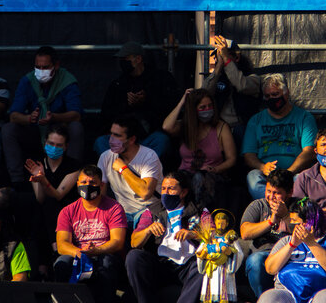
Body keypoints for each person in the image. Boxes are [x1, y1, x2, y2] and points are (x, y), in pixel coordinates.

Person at [2, 46, 84, 184]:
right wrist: (29, 118)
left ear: (56, 65)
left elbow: (76, 114)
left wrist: (55, 117)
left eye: (45, 67)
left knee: (76, 128)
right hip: (35, 131)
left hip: (59, 132)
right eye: (38, 67)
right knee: (8, 129)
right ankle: (17, 181)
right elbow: (14, 115)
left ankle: (71, 177)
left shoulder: (67, 81)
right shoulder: (28, 80)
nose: (41, 71)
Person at [126, 170, 205, 303]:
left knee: (203, 264)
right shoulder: (152, 211)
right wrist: (148, 230)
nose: (166, 193)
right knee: (134, 257)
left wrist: (193, 234)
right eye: (163, 189)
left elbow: (213, 236)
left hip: (188, 266)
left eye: (171, 189)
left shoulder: (198, 210)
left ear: (183, 192)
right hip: (161, 265)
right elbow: (134, 242)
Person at [54, 165, 127, 301]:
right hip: (78, 254)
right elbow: (62, 245)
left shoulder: (114, 208)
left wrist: (96, 251)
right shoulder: (67, 211)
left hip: (104, 254)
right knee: (62, 263)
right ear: (77, 184)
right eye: (83, 182)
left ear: (101, 185)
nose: (87, 186)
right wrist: (80, 253)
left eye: (93, 182)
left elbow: (118, 242)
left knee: (107, 263)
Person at [97, 41, 180, 158]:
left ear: (138, 59)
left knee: (162, 140)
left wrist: (147, 100)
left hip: (150, 135)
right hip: (123, 139)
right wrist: (126, 103)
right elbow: (107, 115)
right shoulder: (118, 84)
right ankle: (119, 168)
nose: (122, 62)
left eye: (126, 59)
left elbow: (170, 108)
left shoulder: (160, 79)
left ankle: (144, 166)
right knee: (101, 142)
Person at [260, 197, 326, 303]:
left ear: (309, 222)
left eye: (294, 221)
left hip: (323, 292)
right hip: (288, 293)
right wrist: (292, 245)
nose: (291, 223)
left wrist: (311, 243)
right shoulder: (286, 241)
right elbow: (270, 268)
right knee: (269, 298)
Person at [242, 74, 318, 200]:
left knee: (304, 177)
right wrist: (262, 167)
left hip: (294, 174)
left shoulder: (304, 117)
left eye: (275, 94)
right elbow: (248, 155)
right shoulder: (255, 120)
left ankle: (284, 205)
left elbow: (309, 151)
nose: (271, 99)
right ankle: (273, 206)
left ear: (286, 94)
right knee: (253, 177)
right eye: (267, 96)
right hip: (266, 176)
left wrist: (289, 173)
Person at [162, 88, 237, 209]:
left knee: (199, 178)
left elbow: (231, 159)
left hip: (211, 176)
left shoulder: (221, 127)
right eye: (202, 107)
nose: (207, 110)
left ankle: (200, 213)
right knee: (173, 181)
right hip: (185, 174)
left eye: (210, 106)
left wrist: (215, 169)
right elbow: (167, 127)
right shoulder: (186, 126)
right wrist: (182, 102)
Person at [25, 125, 82, 274]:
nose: (54, 148)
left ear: (66, 146)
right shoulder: (37, 164)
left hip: (67, 210)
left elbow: (58, 195)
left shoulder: (73, 166)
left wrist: (43, 180)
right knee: (39, 209)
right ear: (45, 143)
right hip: (45, 212)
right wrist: (38, 178)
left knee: (51, 203)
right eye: (51, 144)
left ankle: (53, 253)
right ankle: (44, 263)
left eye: (59, 145)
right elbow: (40, 198)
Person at [97, 115, 164, 228]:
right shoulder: (106, 157)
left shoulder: (149, 156)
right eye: (111, 134)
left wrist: (123, 169)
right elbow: (101, 194)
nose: (111, 139)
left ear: (132, 139)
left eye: (117, 136)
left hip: (148, 211)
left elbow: (145, 193)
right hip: (122, 213)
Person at [240, 168, 296, 299]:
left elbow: (308, 231)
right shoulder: (258, 205)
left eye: (277, 193)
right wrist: (271, 221)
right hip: (263, 255)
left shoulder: (299, 205)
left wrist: (286, 216)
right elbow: (245, 233)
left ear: (290, 192)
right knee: (255, 260)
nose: (271, 196)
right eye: (268, 191)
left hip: (291, 255)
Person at [202, 35, 262, 144]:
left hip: (244, 129)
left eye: (225, 54)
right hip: (221, 129)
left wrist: (226, 60)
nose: (221, 58)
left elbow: (241, 85)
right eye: (218, 56)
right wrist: (219, 66)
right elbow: (204, 94)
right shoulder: (217, 78)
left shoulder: (252, 78)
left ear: (237, 57)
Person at [196, 208, 245, 303]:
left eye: (222, 223)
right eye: (218, 223)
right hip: (211, 270)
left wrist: (230, 253)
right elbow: (200, 251)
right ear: (214, 223)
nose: (220, 226)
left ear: (227, 224)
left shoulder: (230, 237)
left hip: (225, 270)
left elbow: (240, 253)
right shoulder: (208, 236)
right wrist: (203, 254)